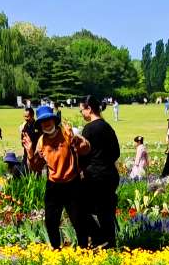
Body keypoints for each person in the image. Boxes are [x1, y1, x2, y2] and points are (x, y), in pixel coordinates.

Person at [25, 104, 93, 249]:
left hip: (72, 183)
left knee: (78, 220)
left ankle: (83, 250)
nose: (46, 123)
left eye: (48, 119)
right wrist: (31, 154)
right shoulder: (42, 141)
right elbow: (35, 168)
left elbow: (86, 149)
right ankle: (56, 250)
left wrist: (79, 141)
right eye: (43, 121)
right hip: (53, 185)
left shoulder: (67, 133)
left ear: (54, 120)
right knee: (50, 221)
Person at [79, 96, 121, 247]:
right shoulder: (108, 127)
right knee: (106, 213)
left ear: (89, 109)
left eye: (82, 110)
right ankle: (110, 244)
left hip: (95, 176)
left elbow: (83, 154)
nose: (82, 114)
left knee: (78, 207)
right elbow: (116, 152)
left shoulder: (89, 129)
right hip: (110, 175)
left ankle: (99, 237)